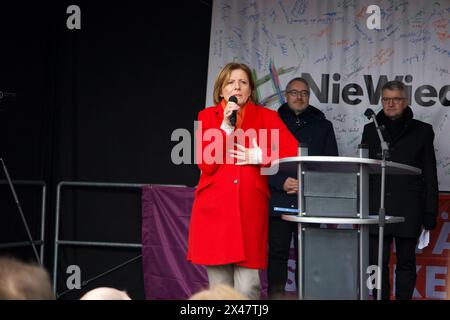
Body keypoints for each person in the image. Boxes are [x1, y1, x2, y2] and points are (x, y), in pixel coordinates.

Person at [187, 62, 298, 299]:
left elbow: (295, 153)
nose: (237, 87)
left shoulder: (266, 117)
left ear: (250, 91)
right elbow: (206, 163)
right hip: (214, 214)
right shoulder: (207, 117)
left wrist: (263, 157)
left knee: (248, 287)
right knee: (220, 290)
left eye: (243, 82)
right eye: (230, 82)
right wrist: (225, 127)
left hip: (250, 213)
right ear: (220, 91)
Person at [361, 80, 438, 300]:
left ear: (405, 101)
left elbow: (430, 174)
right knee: (376, 264)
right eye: (386, 99)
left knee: (406, 263)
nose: (390, 104)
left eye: (396, 99)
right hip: (377, 207)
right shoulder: (370, 129)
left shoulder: (422, 131)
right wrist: (361, 206)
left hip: (409, 208)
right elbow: (364, 170)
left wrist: (429, 211)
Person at [267, 77, 338, 298]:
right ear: (286, 96)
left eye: (304, 93)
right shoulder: (271, 122)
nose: (299, 97)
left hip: (310, 201)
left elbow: (330, 164)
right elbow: (261, 163)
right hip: (278, 201)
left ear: (309, 96)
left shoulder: (323, 125)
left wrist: (307, 183)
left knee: (309, 257)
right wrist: (281, 182)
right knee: (277, 255)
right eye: (294, 93)